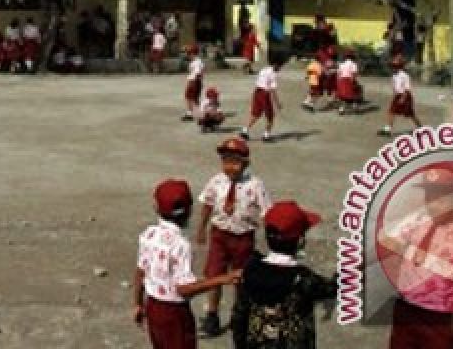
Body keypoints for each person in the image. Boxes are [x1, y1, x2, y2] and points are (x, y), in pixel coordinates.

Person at [382, 165, 453, 349]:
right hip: (405, 309)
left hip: (438, 317)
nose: (434, 204)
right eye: (429, 197)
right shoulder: (417, 222)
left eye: (441, 198)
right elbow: (389, 244)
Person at [133, 178, 242, 349]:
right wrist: (223, 279)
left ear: (156, 208)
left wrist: (138, 303)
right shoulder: (180, 244)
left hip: (153, 305)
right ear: (189, 211)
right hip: (174, 312)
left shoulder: (149, 234)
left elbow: (140, 272)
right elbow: (184, 289)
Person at [229, 201, 336, 349]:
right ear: (300, 241)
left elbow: (239, 317)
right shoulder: (303, 279)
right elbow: (332, 288)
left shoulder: (250, 270)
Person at [197, 137, 271, 338]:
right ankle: (212, 315)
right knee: (214, 276)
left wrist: (271, 237)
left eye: (234, 161)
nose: (229, 166)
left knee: (240, 279)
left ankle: (239, 315)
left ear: (246, 163)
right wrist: (201, 228)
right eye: (225, 161)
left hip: (243, 238)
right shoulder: (216, 181)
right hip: (219, 235)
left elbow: (266, 213)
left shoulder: (256, 185)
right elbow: (207, 204)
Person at [242, 58, 284, 142]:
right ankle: (266, 135)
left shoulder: (264, 69)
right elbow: (273, 90)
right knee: (270, 116)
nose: (280, 68)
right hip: (264, 94)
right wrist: (278, 103)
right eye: (279, 67)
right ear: (276, 65)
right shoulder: (273, 74)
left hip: (257, 92)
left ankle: (244, 130)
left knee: (256, 114)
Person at [381, 56, 423, 136]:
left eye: (395, 66)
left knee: (410, 114)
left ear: (400, 67)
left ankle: (421, 128)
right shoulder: (394, 76)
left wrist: (403, 98)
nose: (393, 68)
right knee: (391, 111)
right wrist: (394, 94)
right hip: (397, 96)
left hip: (405, 96)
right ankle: (388, 129)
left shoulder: (404, 75)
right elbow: (395, 87)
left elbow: (407, 88)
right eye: (392, 66)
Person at [335, 51, 362, 116]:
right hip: (349, 80)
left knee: (342, 96)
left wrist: (338, 82)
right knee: (354, 94)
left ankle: (341, 109)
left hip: (341, 80)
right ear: (352, 57)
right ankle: (355, 108)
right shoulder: (353, 64)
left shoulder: (342, 64)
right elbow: (354, 74)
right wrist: (353, 81)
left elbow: (339, 74)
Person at [183, 45, 204, 122]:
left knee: (191, 98)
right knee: (190, 98)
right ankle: (192, 113)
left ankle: (195, 114)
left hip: (194, 82)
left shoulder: (197, 62)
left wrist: (193, 82)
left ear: (193, 53)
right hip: (194, 81)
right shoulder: (196, 61)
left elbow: (198, 73)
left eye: (188, 53)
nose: (187, 55)